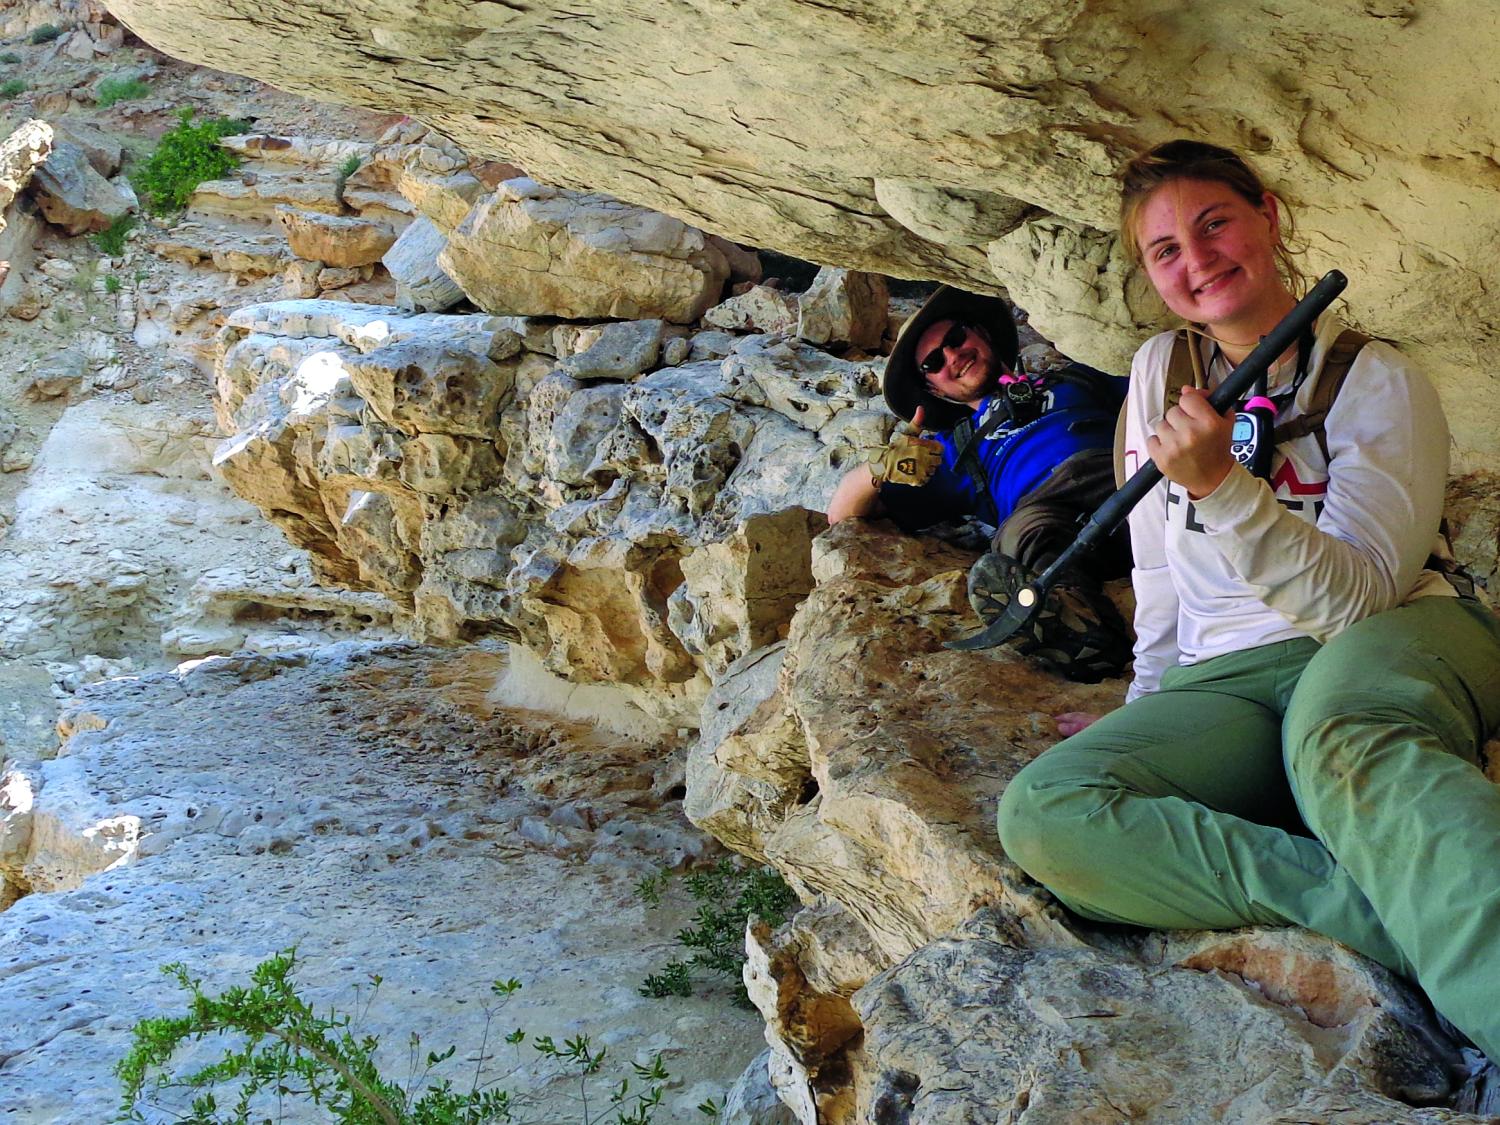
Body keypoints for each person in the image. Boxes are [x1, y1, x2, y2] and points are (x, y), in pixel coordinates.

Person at [997, 139, 1500, 1061]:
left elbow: (1357, 599)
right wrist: (1152, 709)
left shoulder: (1378, 379)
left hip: (1385, 639)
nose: (1198, 260)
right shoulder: (1158, 374)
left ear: (1266, 217)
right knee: (1044, 809)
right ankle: (1389, 908)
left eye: (1214, 223)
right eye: (1166, 251)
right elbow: (1157, 576)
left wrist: (1225, 489)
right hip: (1229, 680)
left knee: (1343, 738)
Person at [827, 286, 1132, 682]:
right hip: (1045, 515)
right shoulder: (951, 449)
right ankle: (1080, 631)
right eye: (935, 361)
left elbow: (1155, 386)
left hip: (1119, 474)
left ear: (981, 334)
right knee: (1015, 541)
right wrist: (882, 466)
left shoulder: (1077, 376)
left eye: (956, 338)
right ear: (935, 389)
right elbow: (840, 515)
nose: (953, 355)